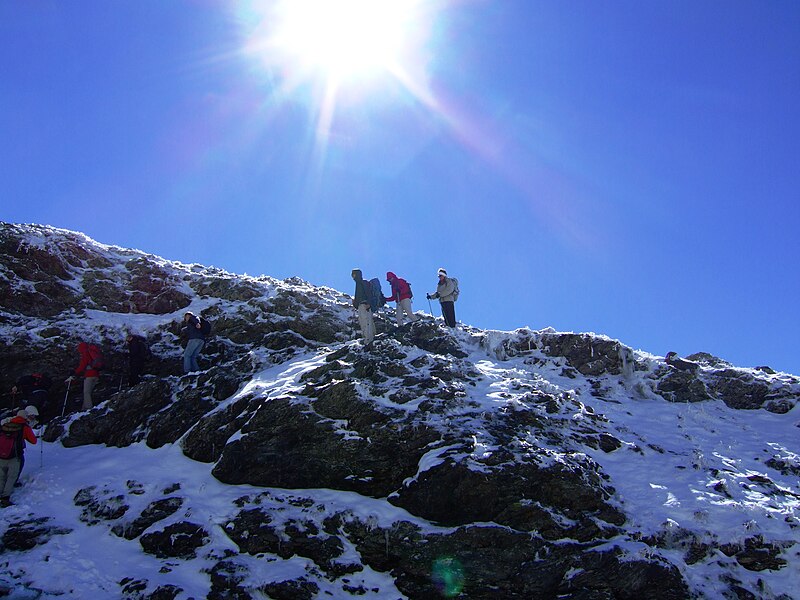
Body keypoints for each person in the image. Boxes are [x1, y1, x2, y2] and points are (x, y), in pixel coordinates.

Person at [0, 407, 37, 507]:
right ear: (25, 417)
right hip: (15, 457)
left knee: (2, 476)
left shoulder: (6, 424)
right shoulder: (24, 426)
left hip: (1, 455)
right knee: (11, 477)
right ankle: (5, 498)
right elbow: (34, 441)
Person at [66, 342, 103, 410]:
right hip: (96, 374)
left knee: (86, 392)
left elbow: (82, 365)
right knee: (89, 392)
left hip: (89, 375)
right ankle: (84, 408)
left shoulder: (85, 353)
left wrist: (75, 372)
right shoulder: (92, 352)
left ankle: (88, 408)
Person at [351, 269, 375, 346]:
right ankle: (367, 339)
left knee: (366, 321)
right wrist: (355, 303)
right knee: (363, 322)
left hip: (365, 305)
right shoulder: (358, 283)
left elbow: (369, 294)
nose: (352, 276)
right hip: (361, 305)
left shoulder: (363, 282)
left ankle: (369, 340)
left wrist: (369, 303)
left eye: (353, 275)